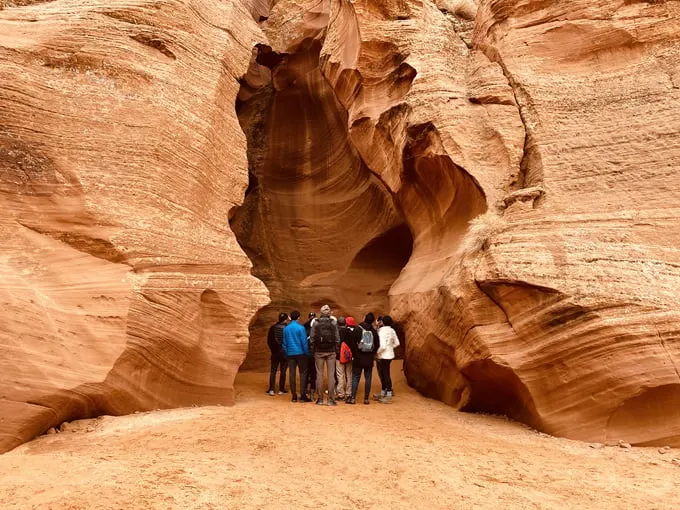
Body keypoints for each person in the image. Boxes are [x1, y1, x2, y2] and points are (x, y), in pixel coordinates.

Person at [310, 304, 340, 406]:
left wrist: (312, 350)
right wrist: (336, 350)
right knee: (331, 375)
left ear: (321, 313)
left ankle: (320, 399)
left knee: (319, 375)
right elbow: (337, 338)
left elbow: (312, 338)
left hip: (319, 351)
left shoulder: (316, 323)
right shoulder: (333, 323)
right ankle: (331, 400)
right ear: (329, 313)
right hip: (331, 351)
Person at [347, 313, 379, 405]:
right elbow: (377, 344)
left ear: (364, 318)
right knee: (368, 378)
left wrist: (355, 353)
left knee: (355, 377)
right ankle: (366, 399)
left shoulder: (358, 329)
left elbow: (352, 342)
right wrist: (372, 353)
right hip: (369, 358)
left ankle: (353, 398)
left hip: (358, 357)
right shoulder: (373, 331)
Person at [283, 311, 312, 402]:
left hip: (290, 354)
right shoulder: (301, 328)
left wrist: (287, 352)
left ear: (290, 317)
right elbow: (304, 342)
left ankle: (294, 396)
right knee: (303, 374)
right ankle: (303, 395)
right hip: (301, 353)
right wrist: (307, 353)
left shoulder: (286, 328)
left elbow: (284, 343)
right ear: (298, 317)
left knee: (292, 373)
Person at [376, 315, 400, 404]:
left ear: (383, 322)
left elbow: (382, 346)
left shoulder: (381, 331)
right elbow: (397, 343)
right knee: (385, 373)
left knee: (384, 374)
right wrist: (390, 348)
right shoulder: (392, 330)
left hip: (383, 355)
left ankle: (388, 395)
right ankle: (383, 393)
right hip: (390, 355)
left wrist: (378, 352)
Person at [266, 312, 289, 396]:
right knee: (283, 371)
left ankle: (271, 389)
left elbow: (269, 341)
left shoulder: (272, 328)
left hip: (275, 352)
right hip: (284, 353)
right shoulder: (287, 328)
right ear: (285, 320)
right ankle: (281, 389)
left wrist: (273, 350)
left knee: (273, 371)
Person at [335, 317, 353, 400]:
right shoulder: (349, 332)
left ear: (337, 324)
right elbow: (353, 344)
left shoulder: (336, 332)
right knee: (349, 374)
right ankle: (349, 393)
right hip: (348, 356)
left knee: (340, 375)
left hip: (339, 356)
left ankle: (341, 394)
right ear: (345, 324)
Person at [304, 312, 317, 399]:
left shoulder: (304, 328)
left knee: (306, 372)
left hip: (306, 353)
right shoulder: (317, 330)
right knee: (313, 373)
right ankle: (312, 392)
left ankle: (305, 390)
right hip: (314, 354)